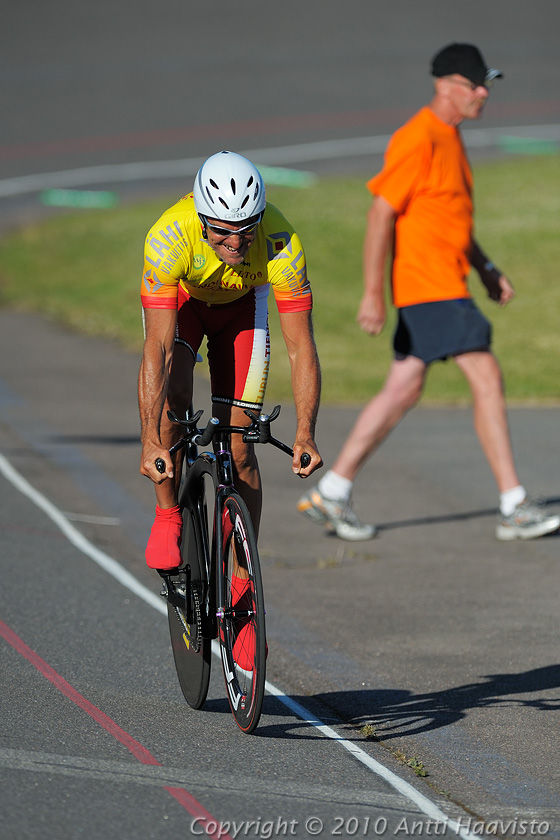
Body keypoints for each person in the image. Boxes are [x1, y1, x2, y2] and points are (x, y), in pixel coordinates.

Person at [298, 43, 560, 543]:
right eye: (476, 83)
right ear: (446, 86)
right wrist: (373, 292)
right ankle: (513, 504)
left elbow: (449, 217)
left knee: (404, 388)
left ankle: (331, 491)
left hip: (445, 282)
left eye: (487, 83)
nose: (484, 92)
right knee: (486, 373)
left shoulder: (450, 137)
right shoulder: (418, 138)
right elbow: (381, 213)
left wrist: (484, 266)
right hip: (428, 286)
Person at [139, 150, 322, 571]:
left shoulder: (281, 242)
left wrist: (306, 432)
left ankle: (242, 580)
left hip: (242, 308)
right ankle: (168, 513)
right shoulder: (168, 237)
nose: (236, 243)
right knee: (176, 393)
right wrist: (150, 438)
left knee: (240, 448)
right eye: (222, 231)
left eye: (245, 229)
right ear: (202, 219)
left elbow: (301, 346)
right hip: (186, 303)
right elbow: (158, 349)